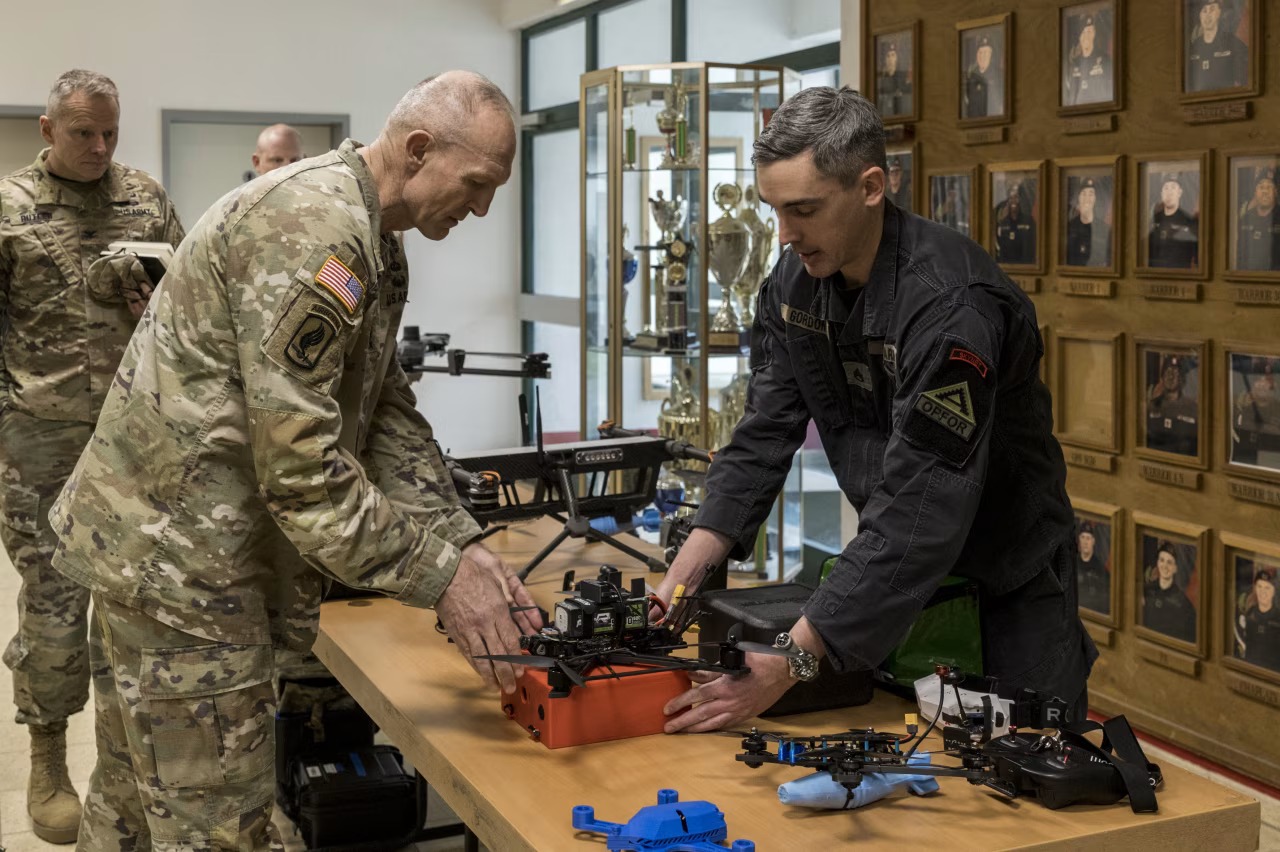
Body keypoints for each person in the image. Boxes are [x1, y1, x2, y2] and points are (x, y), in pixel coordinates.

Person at [48, 71, 540, 852]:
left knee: (132, 809)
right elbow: (303, 468)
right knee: (218, 830)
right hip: (185, 575)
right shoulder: (317, 229)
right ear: (418, 149)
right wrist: (442, 579)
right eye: (477, 184)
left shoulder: (374, 239)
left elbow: (384, 412)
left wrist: (462, 541)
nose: (480, 208)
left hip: (162, 554)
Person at [656, 86, 1095, 735]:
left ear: (870, 186)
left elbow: (921, 507)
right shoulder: (792, 284)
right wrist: (687, 568)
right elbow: (763, 431)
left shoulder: (953, 310)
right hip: (900, 582)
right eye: (774, 209)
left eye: (803, 209)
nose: (784, 234)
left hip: (1007, 586)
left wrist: (793, 661)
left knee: (1022, 778)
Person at [0, 69, 185, 845]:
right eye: (83, 133)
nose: (100, 147)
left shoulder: (144, 198)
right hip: (38, 443)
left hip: (130, 441)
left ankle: (120, 768)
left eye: (110, 132)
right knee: (52, 604)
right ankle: (47, 757)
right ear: (48, 130)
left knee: (130, 603)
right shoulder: (8, 209)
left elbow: (188, 302)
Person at [1187, 0, 1248, 92]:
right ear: (1199, 15)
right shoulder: (1193, 48)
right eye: (1204, 10)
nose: (1207, 15)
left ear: (1219, 13)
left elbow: (1245, 80)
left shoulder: (1233, 43)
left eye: (1212, 9)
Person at [1142, 541, 1197, 644]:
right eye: (1162, 560)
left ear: (1175, 568)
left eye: (1169, 562)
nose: (1164, 566)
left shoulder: (1183, 604)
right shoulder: (1146, 591)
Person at [1146, 354, 1199, 456]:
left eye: (1175, 373)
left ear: (1181, 379)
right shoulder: (1152, 406)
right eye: (1167, 372)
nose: (1171, 377)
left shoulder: (1192, 409)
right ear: (1162, 377)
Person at [1148, 172, 1199, 269]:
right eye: (1166, 188)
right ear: (1161, 193)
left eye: (1173, 187)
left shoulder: (1188, 222)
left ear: (1180, 192)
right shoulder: (1152, 221)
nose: (1169, 192)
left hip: (1179, 277)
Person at [1063, 14, 1112, 106]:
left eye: (1089, 32)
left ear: (1094, 35)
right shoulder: (1074, 64)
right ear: (1080, 37)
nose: (1086, 36)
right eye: (1083, 33)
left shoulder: (1106, 62)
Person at [1237, 166, 1280, 271]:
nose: (1265, 191)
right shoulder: (1246, 218)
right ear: (1255, 192)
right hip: (1249, 277)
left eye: (1269, 187)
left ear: (1275, 192)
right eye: (1261, 187)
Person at [1239, 565, 1280, 671]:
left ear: (1274, 591)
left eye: (1267, 587)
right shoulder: (1248, 614)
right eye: (1259, 586)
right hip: (1249, 670)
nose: (1263, 592)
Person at [1065, 176, 1111, 267]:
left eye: (1091, 194)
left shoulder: (1104, 229)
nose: (1087, 198)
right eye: (1083, 193)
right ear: (1078, 198)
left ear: (1095, 199)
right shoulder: (1069, 227)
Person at [995, 181, 1036, 265]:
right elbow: (1000, 248)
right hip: (1007, 267)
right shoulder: (1003, 223)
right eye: (1011, 198)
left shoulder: (1028, 221)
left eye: (1016, 197)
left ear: (1020, 200)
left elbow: (1032, 247)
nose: (1014, 201)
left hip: (1026, 267)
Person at [1075, 520, 1110, 615]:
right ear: (1079, 540)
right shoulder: (1071, 564)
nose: (1085, 542)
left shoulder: (1100, 568)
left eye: (1088, 538)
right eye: (1083, 537)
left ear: (1093, 541)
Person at [963, 34, 1000, 118]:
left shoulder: (998, 76)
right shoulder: (971, 75)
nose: (982, 56)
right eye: (980, 52)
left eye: (986, 53)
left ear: (991, 55)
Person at [876, 40, 912, 117]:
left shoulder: (903, 76)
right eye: (888, 56)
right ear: (885, 59)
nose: (890, 59)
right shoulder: (881, 79)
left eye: (893, 55)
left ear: (896, 58)